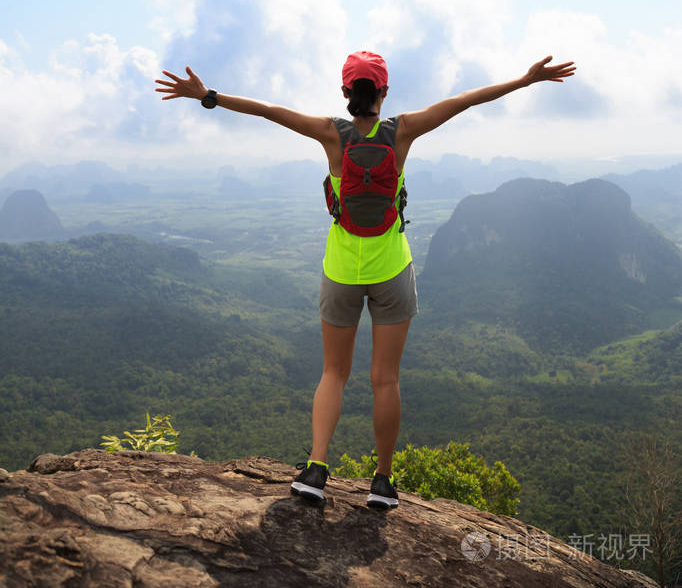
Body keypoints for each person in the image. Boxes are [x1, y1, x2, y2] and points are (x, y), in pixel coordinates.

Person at [155, 50, 576, 509]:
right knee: (385, 380)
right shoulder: (403, 131)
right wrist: (524, 80)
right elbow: (464, 101)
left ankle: (316, 470)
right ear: (383, 92)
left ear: (344, 92)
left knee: (333, 373)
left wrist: (209, 96)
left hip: (340, 271)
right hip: (392, 269)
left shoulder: (331, 133)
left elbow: (269, 112)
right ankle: (383, 482)